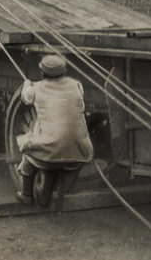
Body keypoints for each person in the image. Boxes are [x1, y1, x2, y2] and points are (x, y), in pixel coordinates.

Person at [15, 54, 94, 204]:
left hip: (51, 152)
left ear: (42, 73)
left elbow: (25, 98)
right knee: (55, 145)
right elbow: (79, 100)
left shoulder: (37, 88)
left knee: (28, 155)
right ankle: (47, 191)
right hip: (80, 153)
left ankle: (26, 195)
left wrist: (27, 84)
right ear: (64, 72)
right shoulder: (75, 84)